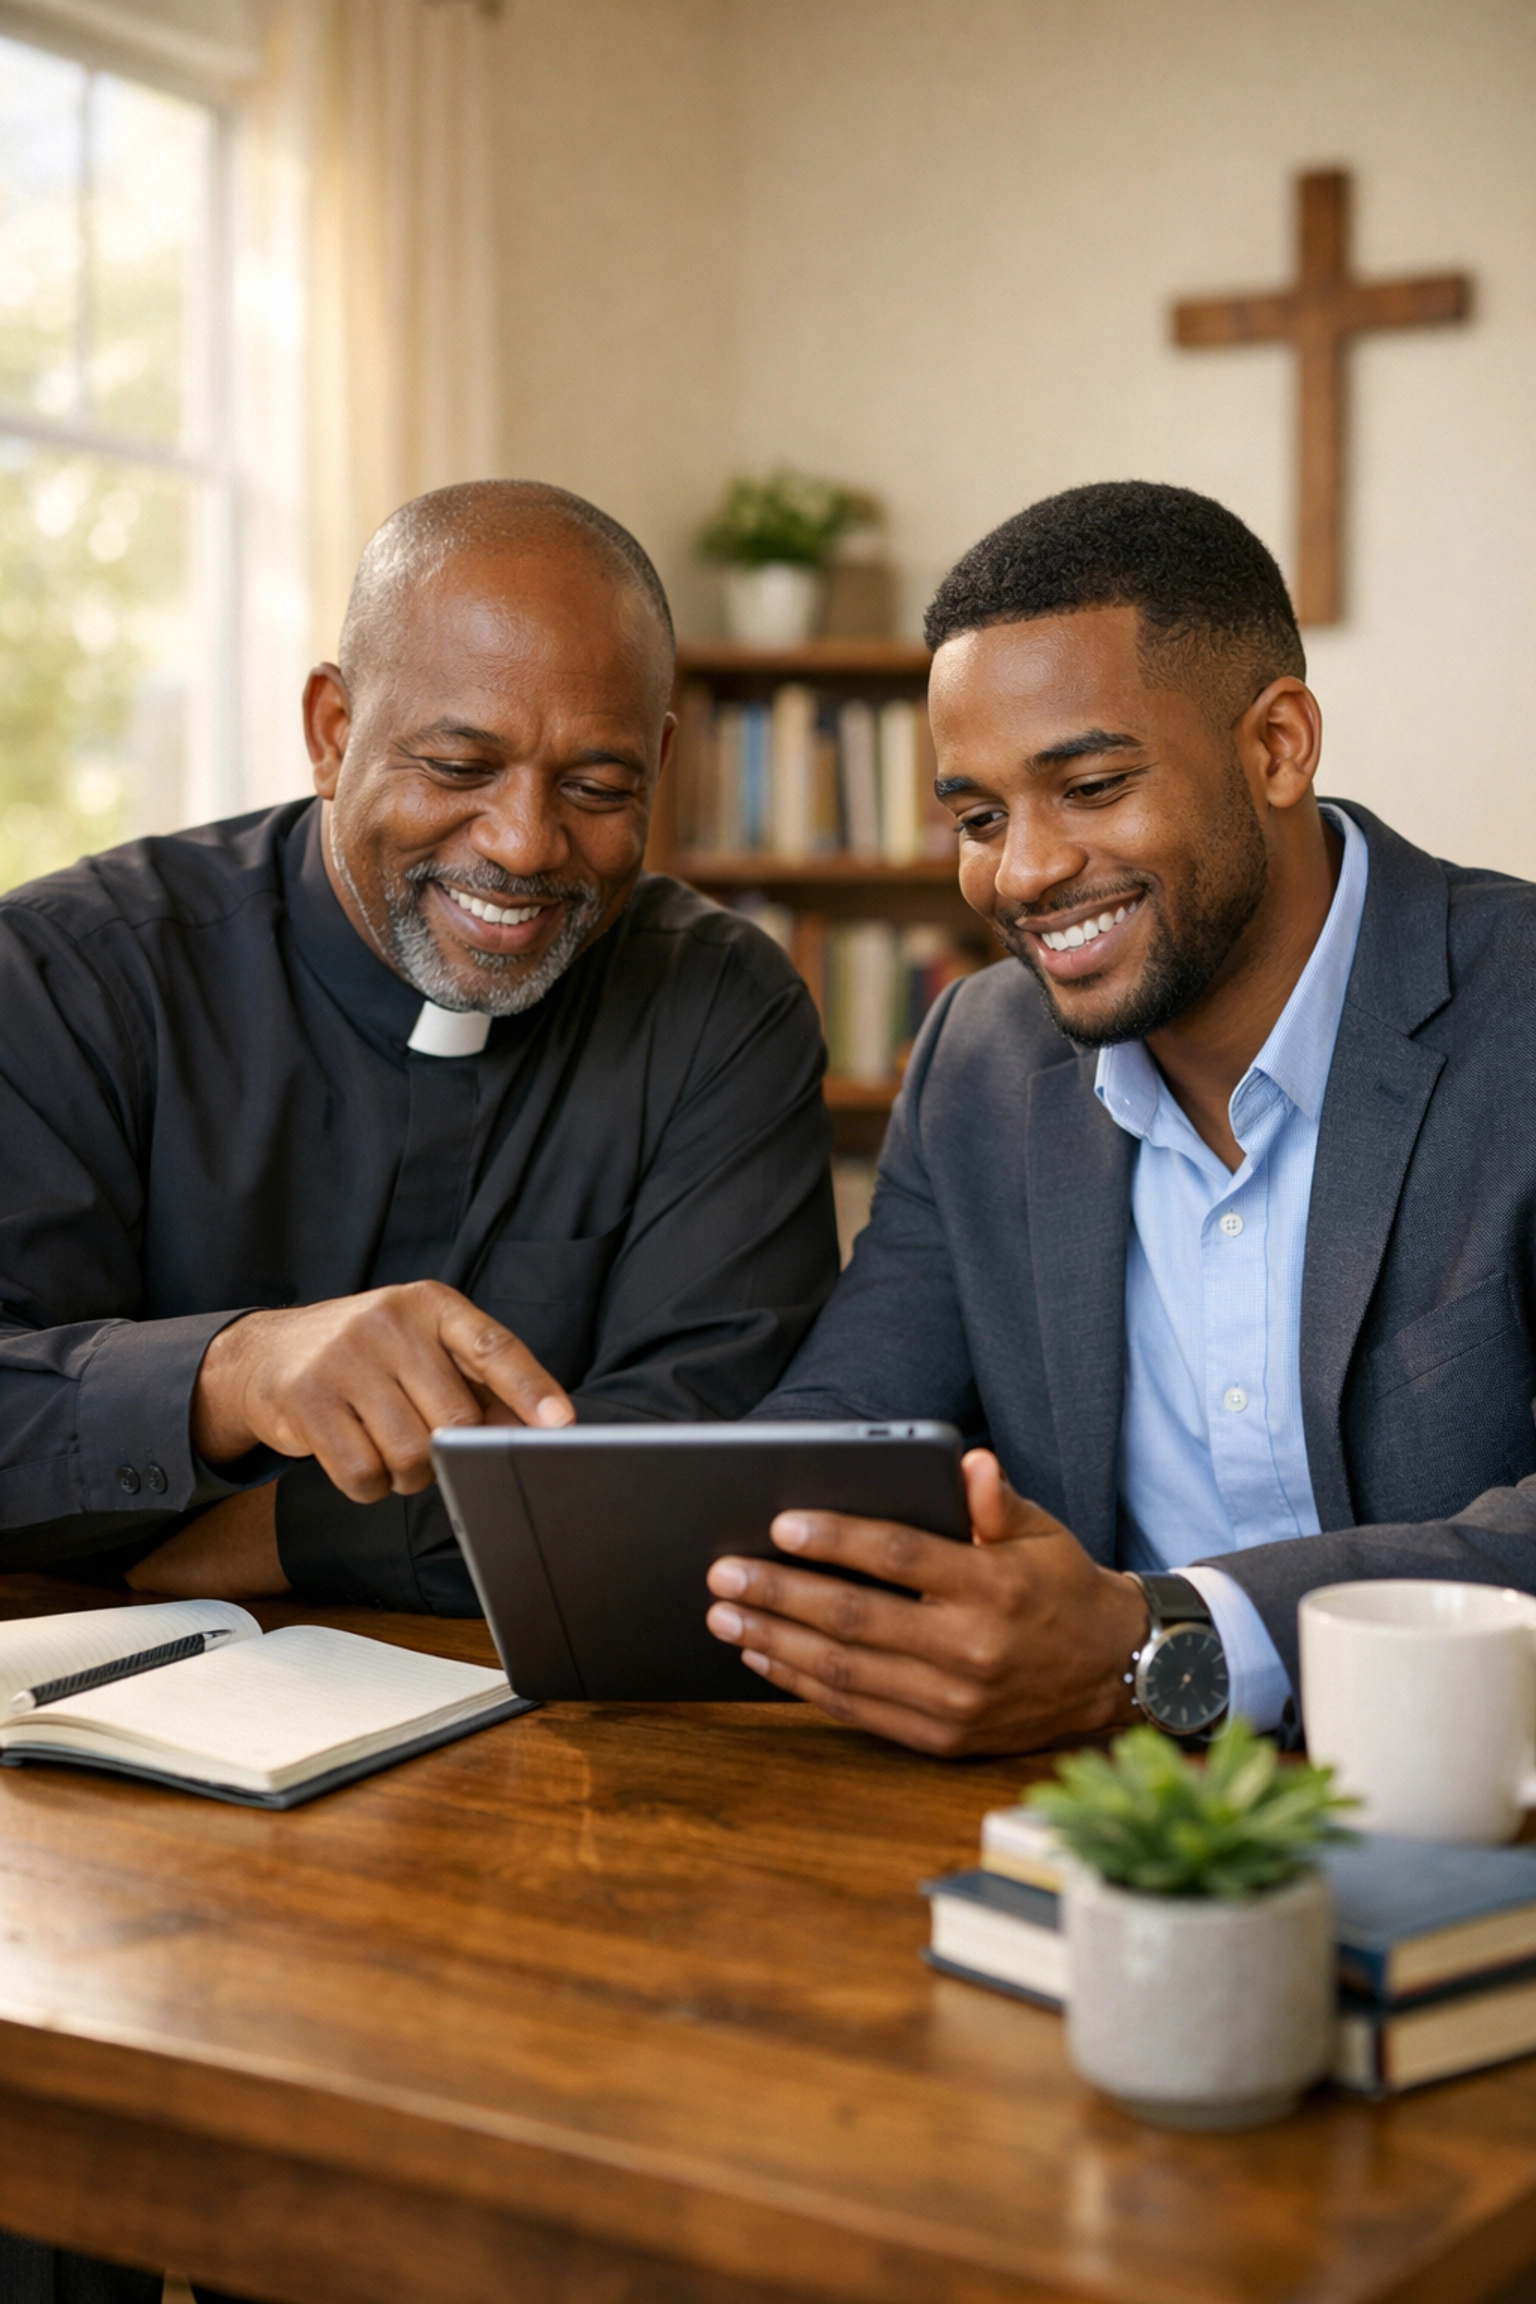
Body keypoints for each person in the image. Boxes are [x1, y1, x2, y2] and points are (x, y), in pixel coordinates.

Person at [705, 479, 1536, 1755]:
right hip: (1098, 1807)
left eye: (1089, 786)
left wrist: (1164, 1636)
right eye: (979, 817)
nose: (1023, 872)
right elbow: (846, 1425)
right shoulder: (979, 1055)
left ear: (1277, 747)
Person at [0, 478, 837, 1605]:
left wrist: (275, 1540)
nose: (527, 844)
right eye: (457, 768)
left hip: (541, 1727)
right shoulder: (66, 975)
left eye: (596, 785)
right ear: (333, 732)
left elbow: (697, 1463)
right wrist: (232, 1374)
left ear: (660, 761)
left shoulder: (722, 1006)